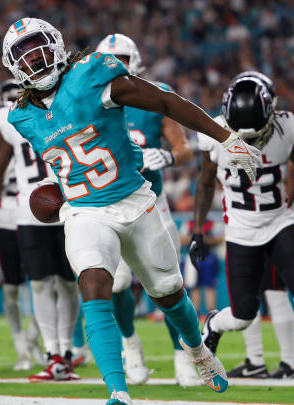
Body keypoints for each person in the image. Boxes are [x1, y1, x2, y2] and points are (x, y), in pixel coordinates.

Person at [0, 17, 263, 404]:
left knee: (168, 292)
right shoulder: (20, 116)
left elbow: (164, 101)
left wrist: (225, 137)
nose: (36, 60)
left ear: (57, 45)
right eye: (25, 56)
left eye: (40, 47)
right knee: (95, 285)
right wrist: (58, 194)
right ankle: (118, 391)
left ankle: (197, 350)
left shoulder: (91, 73)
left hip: (135, 199)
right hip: (84, 212)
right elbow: (65, 159)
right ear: (14, 68)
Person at [192, 72, 294, 397]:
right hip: (241, 231)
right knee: (243, 316)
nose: (250, 143)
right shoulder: (214, 133)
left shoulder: (287, 128)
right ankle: (214, 324)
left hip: (279, 223)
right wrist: (198, 230)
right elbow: (203, 183)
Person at [94, 33, 197, 386]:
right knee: (118, 283)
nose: (115, 66)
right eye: (109, 59)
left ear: (134, 60)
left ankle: (182, 355)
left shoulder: (153, 94)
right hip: (109, 205)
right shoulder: (87, 98)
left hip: (152, 201)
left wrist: (168, 156)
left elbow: (184, 147)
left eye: (122, 57)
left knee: (168, 282)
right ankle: (130, 346)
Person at [0, 78, 81, 381]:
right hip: (30, 209)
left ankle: (67, 350)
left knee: (69, 283)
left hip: (72, 205)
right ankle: (52, 353)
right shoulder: (7, 118)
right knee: (42, 283)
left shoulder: (66, 105)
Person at [0, 80, 46, 371]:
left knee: (46, 282)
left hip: (37, 212)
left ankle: (35, 340)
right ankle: (22, 347)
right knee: (12, 287)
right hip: (6, 214)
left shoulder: (43, 123)